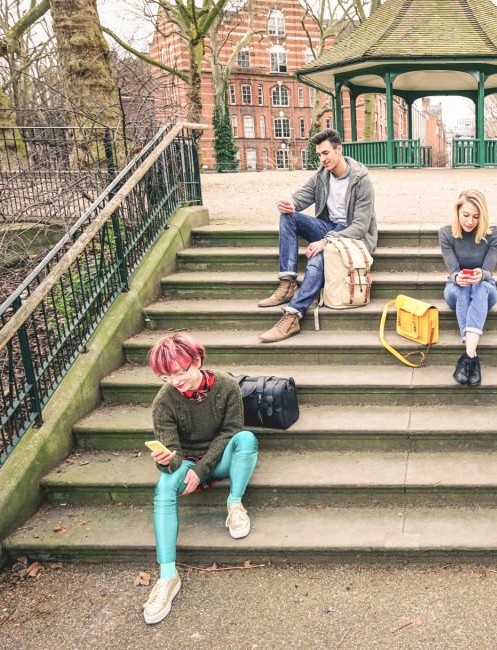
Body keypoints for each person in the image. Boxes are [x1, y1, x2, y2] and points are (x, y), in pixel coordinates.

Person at [142, 333, 259, 624]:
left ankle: (234, 505)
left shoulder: (227, 386)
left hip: (218, 460)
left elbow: (230, 432)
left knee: (246, 439)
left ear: (197, 361)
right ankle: (168, 577)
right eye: (165, 376)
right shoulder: (164, 402)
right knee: (163, 486)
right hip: (186, 464)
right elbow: (173, 451)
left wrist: (203, 469)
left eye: (180, 373)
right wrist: (169, 462)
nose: (174, 381)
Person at [257, 128, 378, 342]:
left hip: (352, 236)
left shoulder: (362, 180)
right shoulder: (321, 176)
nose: (322, 159)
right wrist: (290, 203)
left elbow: (360, 226)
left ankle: (293, 315)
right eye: (319, 155)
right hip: (327, 227)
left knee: (317, 260)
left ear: (338, 150)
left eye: (325, 153)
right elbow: (302, 196)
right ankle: (287, 283)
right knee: (289, 216)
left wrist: (326, 241)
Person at [439, 190, 497, 385]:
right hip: (455, 289)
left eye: (476, 216)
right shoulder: (446, 234)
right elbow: (453, 270)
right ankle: (471, 358)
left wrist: (480, 275)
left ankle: (468, 357)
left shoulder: (493, 233)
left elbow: (488, 270)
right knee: (465, 287)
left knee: (478, 287)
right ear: (457, 212)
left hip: (485, 288)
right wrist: (458, 277)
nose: (470, 221)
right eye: (466, 215)